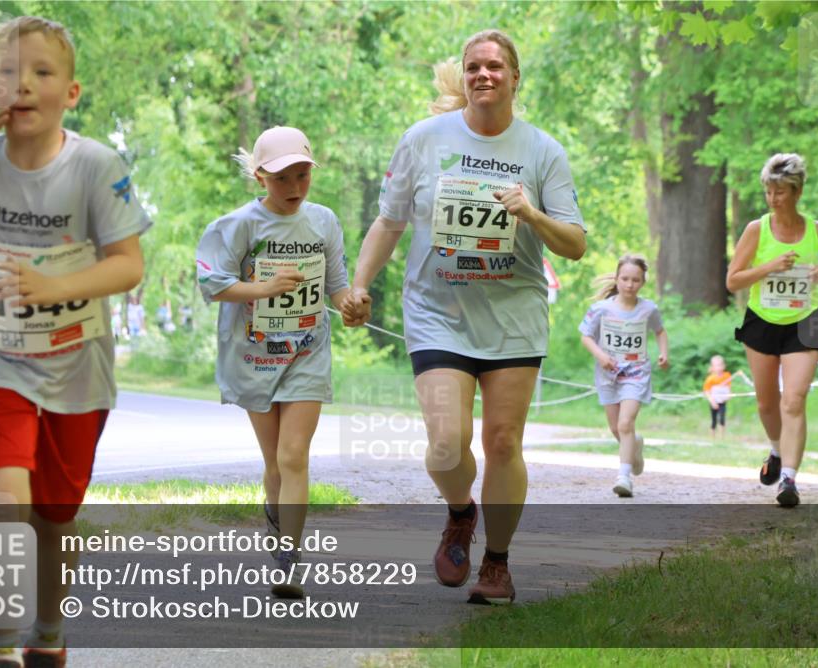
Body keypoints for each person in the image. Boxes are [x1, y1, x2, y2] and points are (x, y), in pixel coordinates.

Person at [0, 16, 149, 668]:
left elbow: (129, 265)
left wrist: (51, 284)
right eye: (10, 72)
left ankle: (47, 629)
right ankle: (1, 645)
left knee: (54, 521)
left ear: (71, 92)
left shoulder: (96, 165)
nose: (24, 85)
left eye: (41, 72)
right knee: (3, 493)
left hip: (77, 371)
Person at [342, 29, 586, 605]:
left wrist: (530, 212)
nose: (483, 75)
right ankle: (460, 512)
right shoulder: (423, 140)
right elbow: (389, 221)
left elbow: (574, 244)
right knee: (447, 445)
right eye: (474, 66)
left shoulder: (542, 151)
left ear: (515, 77)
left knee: (503, 443)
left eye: (495, 66)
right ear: (465, 74)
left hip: (513, 317)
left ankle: (497, 563)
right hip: (437, 312)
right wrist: (357, 284)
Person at [196, 126, 351, 598]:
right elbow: (212, 283)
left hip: (306, 352)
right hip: (255, 356)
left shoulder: (323, 222)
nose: (295, 188)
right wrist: (262, 289)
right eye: (283, 178)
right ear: (260, 176)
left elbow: (337, 286)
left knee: (293, 455)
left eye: (303, 176)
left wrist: (351, 305)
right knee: (274, 464)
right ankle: (276, 522)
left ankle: (289, 560)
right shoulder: (238, 225)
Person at [726, 153, 818, 507]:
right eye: (769, 192)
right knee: (767, 403)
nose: (773, 199)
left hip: (806, 321)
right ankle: (776, 450)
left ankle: (789, 480)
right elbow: (733, 280)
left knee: (793, 400)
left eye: (780, 192)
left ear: (797, 191)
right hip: (763, 321)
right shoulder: (756, 230)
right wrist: (769, 266)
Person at [579, 254, 668, 498]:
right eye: (625, 279)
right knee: (615, 427)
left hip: (636, 373)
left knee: (625, 423)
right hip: (608, 374)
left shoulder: (649, 309)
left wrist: (663, 353)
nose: (630, 284)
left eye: (636, 280)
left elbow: (660, 332)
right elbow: (585, 336)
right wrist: (600, 356)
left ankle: (624, 477)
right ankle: (635, 448)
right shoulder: (601, 309)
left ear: (643, 282)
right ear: (617, 279)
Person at [703, 355, 733, 441]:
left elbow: (728, 387)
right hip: (714, 402)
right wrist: (712, 401)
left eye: (720, 365)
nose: (718, 368)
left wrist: (729, 395)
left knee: (722, 419)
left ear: (723, 366)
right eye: (716, 365)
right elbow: (707, 391)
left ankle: (722, 439)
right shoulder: (710, 379)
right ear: (712, 367)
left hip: (722, 402)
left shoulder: (727, 376)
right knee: (714, 420)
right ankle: (712, 439)